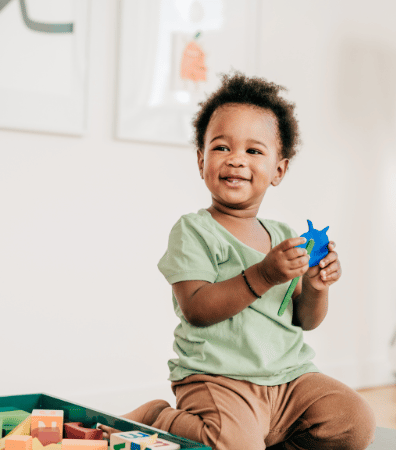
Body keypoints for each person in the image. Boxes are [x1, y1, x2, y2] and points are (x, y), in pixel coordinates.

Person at [101, 72, 376, 450]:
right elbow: (197, 308)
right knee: (234, 442)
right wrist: (263, 274)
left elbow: (305, 320)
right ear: (201, 162)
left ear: (279, 170)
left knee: (355, 423)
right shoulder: (194, 231)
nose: (235, 160)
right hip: (219, 379)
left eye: (253, 151)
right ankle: (160, 419)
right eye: (221, 148)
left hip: (288, 380)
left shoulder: (282, 235)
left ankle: (262, 436)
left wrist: (316, 286)